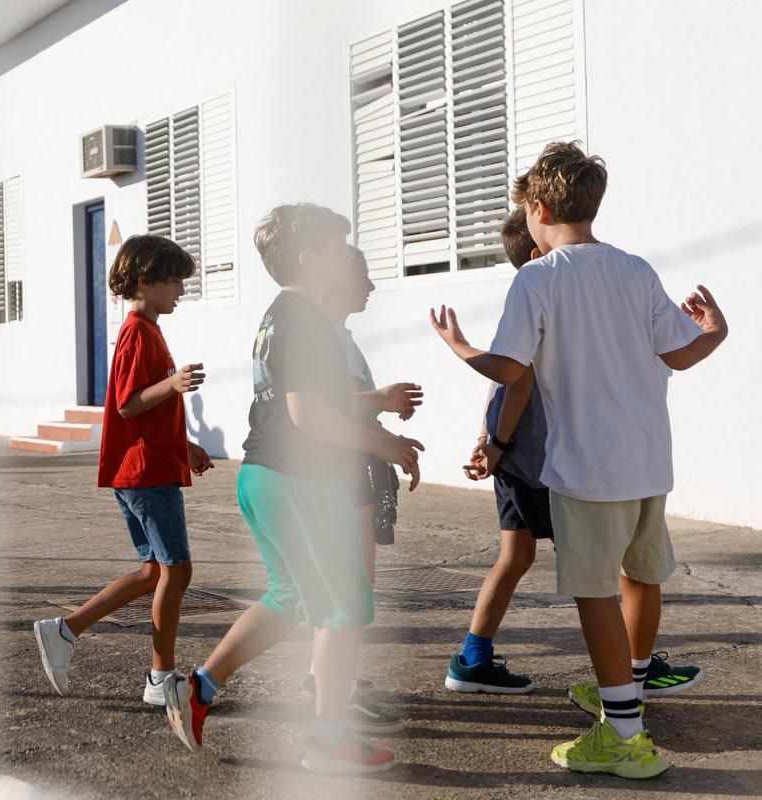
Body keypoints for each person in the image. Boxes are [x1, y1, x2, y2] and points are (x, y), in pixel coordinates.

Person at [429, 142, 728, 779]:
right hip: (650, 463)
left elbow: (511, 370)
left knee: (594, 593)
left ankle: (622, 734)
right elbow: (679, 355)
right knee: (641, 579)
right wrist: (715, 333)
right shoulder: (636, 269)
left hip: (588, 468)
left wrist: (459, 348)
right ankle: (629, 692)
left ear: (539, 208)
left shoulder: (539, 276)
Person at [163, 205, 422, 775]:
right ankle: (329, 743)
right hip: (300, 479)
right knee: (342, 609)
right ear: (310, 258)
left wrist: (374, 411)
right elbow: (309, 415)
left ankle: (200, 687)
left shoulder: (280, 315)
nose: (346, 257)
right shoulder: (305, 320)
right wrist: (385, 446)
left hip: (264, 477)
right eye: (336, 246)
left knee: (292, 599)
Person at [449, 207, 705, 701]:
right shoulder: (556, 283)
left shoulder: (549, 287)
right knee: (611, 576)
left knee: (517, 556)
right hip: (553, 459)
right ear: (536, 248)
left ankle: (473, 657)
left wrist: (488, 440)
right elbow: (516, 379)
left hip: (518, 456)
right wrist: (495, 441)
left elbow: (508, 379)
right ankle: (631, 679)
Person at [33, 234, 214, 705]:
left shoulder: (147, 329)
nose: (180, 288)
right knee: (177, 570)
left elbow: (145, 410)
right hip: (145, 474)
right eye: (174, 280)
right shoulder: (138, 331)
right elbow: (130, 404)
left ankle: (65, 630)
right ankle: (160, 678)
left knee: (154, 572)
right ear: (146, 280)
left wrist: (187, 443)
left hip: (144, 468)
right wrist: (173, 384)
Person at [299, 245, 423, 734]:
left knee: (345, 585)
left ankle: (327, 679)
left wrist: (389, 435)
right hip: (340, 468)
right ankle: (340, 696)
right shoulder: (325, 338)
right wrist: (382, 410)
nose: (371, 287)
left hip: (346, 466)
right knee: (352, 587)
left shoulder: (333, 336)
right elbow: (326, 407)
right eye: (363, 278)